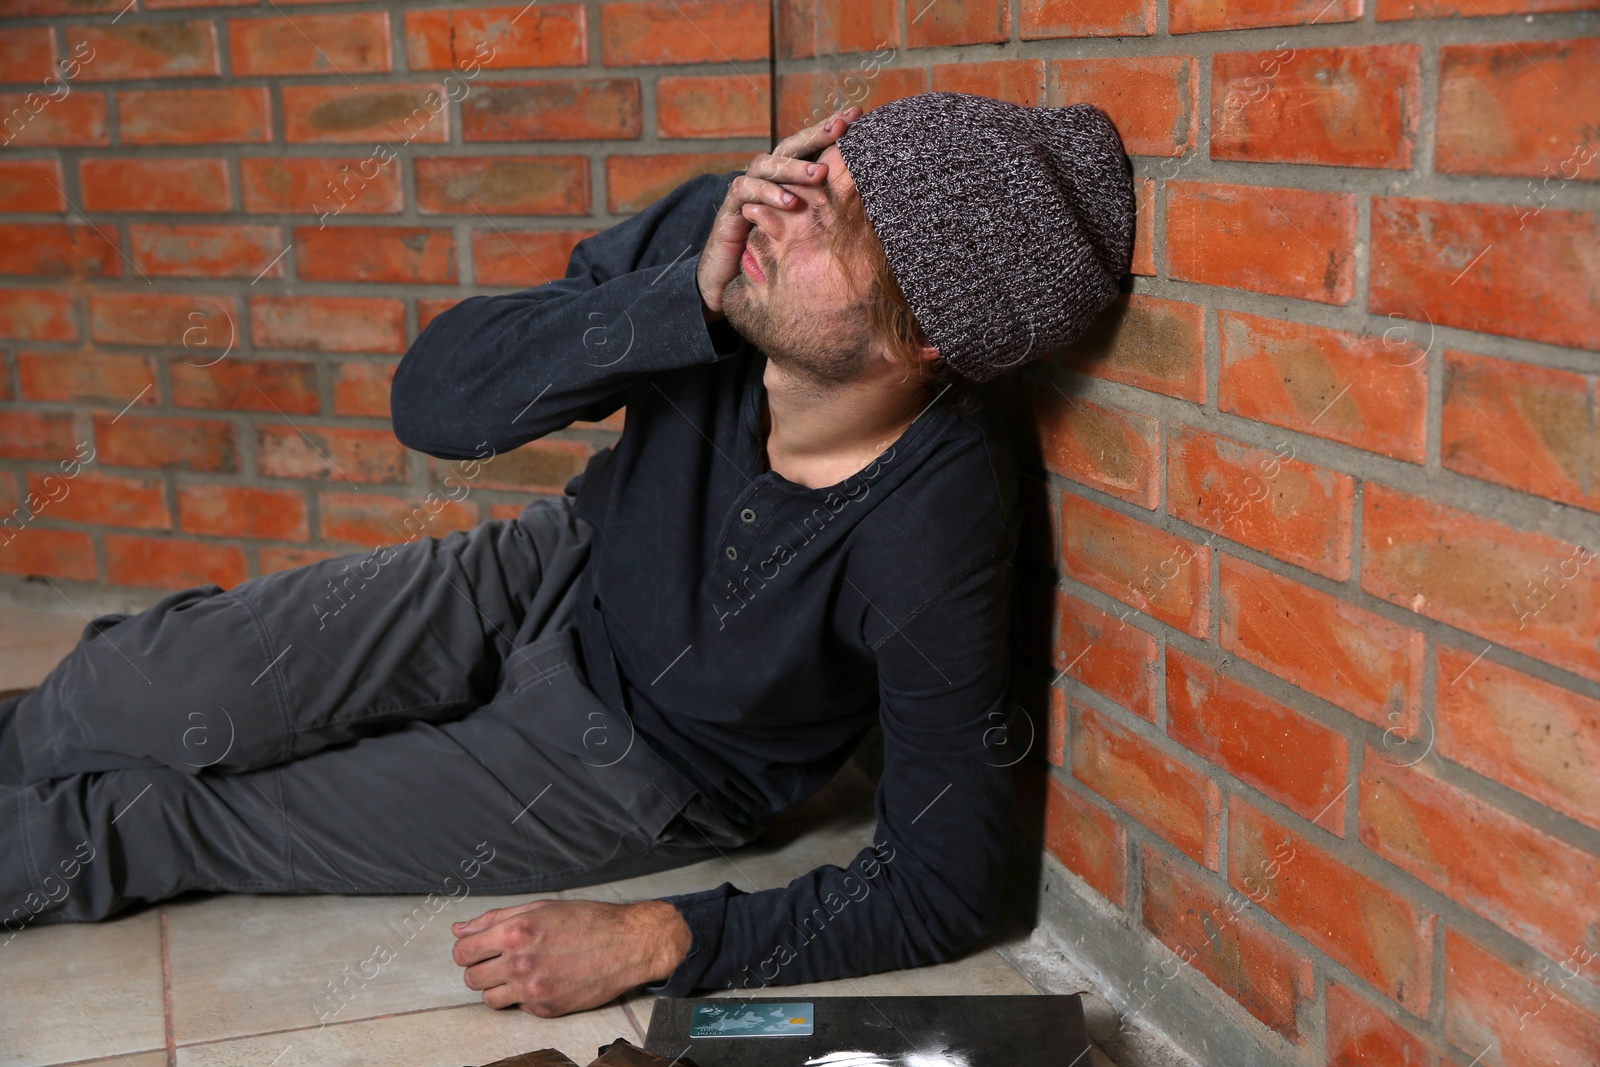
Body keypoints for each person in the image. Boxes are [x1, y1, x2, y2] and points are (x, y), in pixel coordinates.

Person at [0, 91, 1134, 1016]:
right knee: (127, 687)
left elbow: (951, 885)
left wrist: (664, 934)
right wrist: (675, 295)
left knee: (159, 821)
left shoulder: (937, 521)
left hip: (636, 764)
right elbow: (434, 401)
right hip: (551, 569)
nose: (775, 212)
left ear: (921, 336)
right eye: (814, 176)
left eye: (830, 221)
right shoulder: (728, 248)